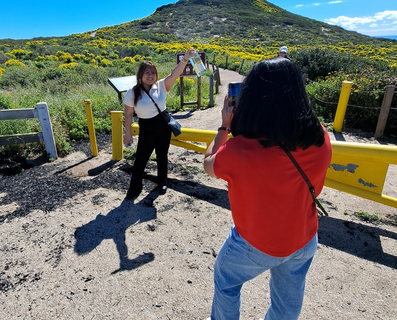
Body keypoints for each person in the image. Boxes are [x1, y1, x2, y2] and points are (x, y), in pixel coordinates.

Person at [203, 57, 332, 320]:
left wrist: (225, 126)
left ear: (253, 99)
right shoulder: (320, 136)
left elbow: (208, 164)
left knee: (226, 281)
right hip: (304, 238)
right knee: (287, 301)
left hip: (255, 244)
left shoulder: (240, 150)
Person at [124, 49, 193, 200]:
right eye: (147, 72)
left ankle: (162, 182)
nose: (150, 75)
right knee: (141, 159)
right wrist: (127, 133)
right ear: (140, 75)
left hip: (163, 127)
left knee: (162, 156)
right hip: (146, 129)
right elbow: (128, 114)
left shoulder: (161, 86)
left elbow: (174, 74)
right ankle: (135, 188)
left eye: (153, 72)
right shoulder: (132, 92)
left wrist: (185, 60)